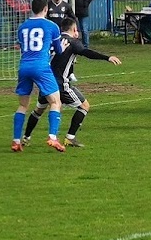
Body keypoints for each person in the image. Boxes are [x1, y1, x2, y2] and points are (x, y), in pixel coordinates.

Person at [20, 16, 121, 148]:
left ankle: (26, 137)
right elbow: (86, 52)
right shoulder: (72, 42)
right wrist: (107, 57)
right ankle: (70, 138)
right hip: (61, 84)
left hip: (46, 81)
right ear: (74, 29)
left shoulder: (53, 40)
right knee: (84, 106)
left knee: (38, 110)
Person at [11, 0, 66, 152]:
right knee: (55, 102)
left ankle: (16, 141)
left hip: (24, 66)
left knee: (22, 105)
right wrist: (61, 45)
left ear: (31, 8)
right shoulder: (52, 26)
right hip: (41, 66)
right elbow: (59, 50)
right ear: (45, 9)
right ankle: (52, 137)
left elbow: (23, 48)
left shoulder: (22, 27)